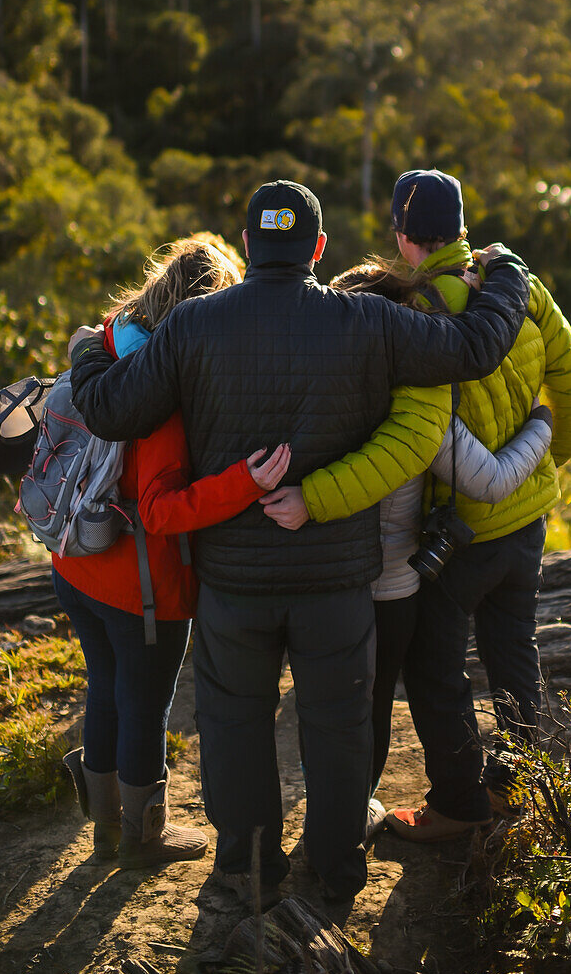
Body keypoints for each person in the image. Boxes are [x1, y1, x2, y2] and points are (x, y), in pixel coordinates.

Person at [66, 179, 531, 904]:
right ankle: (337, 876)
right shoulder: (368, 322)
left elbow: (109, 410)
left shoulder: (192, 326)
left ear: (249, 245)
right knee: (339, 733)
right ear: (317, 247)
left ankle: (246, 874)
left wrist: (85, 350)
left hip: (233, 581)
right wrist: (505, 275)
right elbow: (475, 347)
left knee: (234, 727)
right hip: (336, 582)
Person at [269, 169, 571, 843]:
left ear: (400, 234)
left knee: (433, 670)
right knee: (512, 651)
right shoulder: (517, 286)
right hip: (526, 514)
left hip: (460, 530)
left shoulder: (415, 313)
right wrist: (550, 453)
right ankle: (516, 788)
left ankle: (456, 807)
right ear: (461, 226)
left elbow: (413, 437)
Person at [58, 238, 290, 869]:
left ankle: (106, 832)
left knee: (104, 690)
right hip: (140, 585)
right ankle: (142, 837)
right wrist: (248, 479)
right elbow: (161, 510)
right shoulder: (160, 387)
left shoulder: (110, 341)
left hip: (77, 564)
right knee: (142, 704)